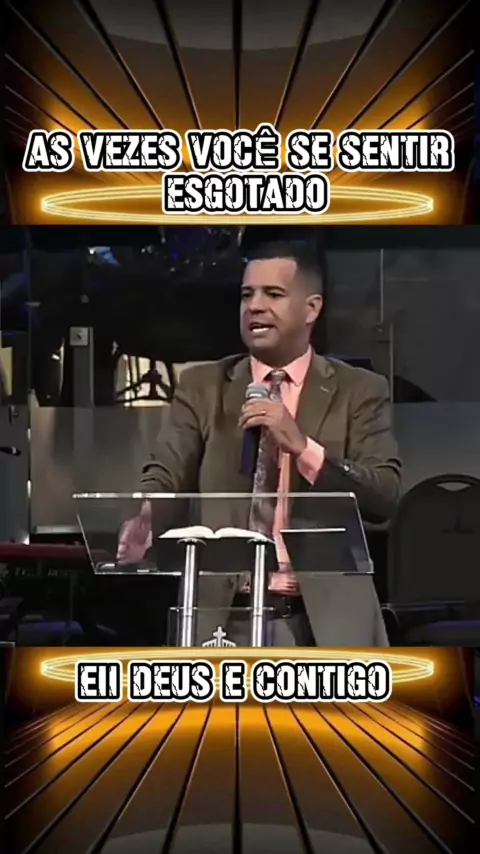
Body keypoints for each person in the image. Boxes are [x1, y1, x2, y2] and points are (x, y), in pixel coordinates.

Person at [118, 241, 401, 646]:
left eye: (273, 294)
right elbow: (167, 470)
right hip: (222, 617)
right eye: (247, 294)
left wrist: (303, 448)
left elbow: (383, 496)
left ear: (312, 309)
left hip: (324, 622)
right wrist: (147, 514)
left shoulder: (360, 390)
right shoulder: (203, 386)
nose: (254, 306)